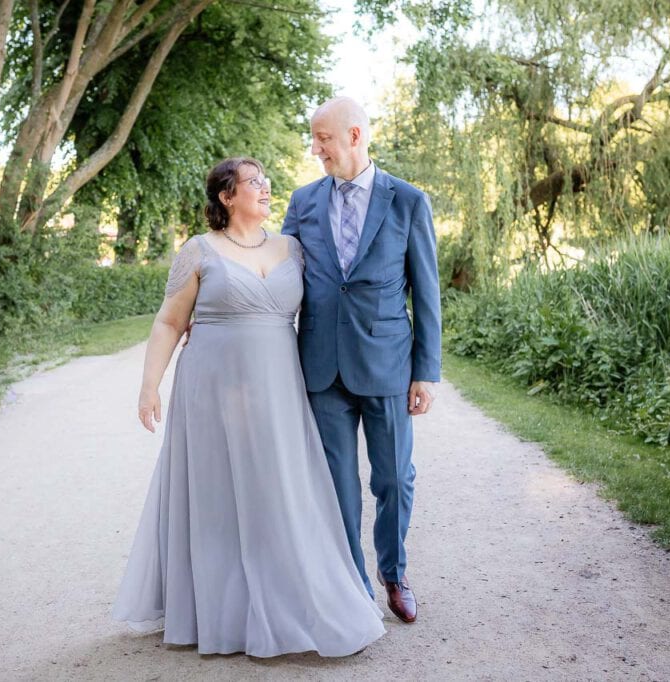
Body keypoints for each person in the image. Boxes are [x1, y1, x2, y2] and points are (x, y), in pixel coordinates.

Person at [110, 157, 385, 658]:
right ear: (226, 196)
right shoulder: (198, 251)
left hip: (278, 391)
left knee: (278, 490)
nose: (266, 187)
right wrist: (149, 387)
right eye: (253, 181)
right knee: (216, 498)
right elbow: (169, 322)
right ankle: (219, 612)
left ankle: (295, 601)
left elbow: (335, 301)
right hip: (210, 391)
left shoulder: (293, 249)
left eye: (266, 180)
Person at [281, 97, 442, 624]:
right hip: (321, 365)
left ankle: (393, 573)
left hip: (388, 362)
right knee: (338, 485)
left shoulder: (408, 201)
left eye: (322, 138)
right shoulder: (303, 201)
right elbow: (276, 276)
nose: (315, 148)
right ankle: (352, 586)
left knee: (395, 477)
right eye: (313, 139)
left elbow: (427, 292)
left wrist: (426, 370)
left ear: (353, 136)